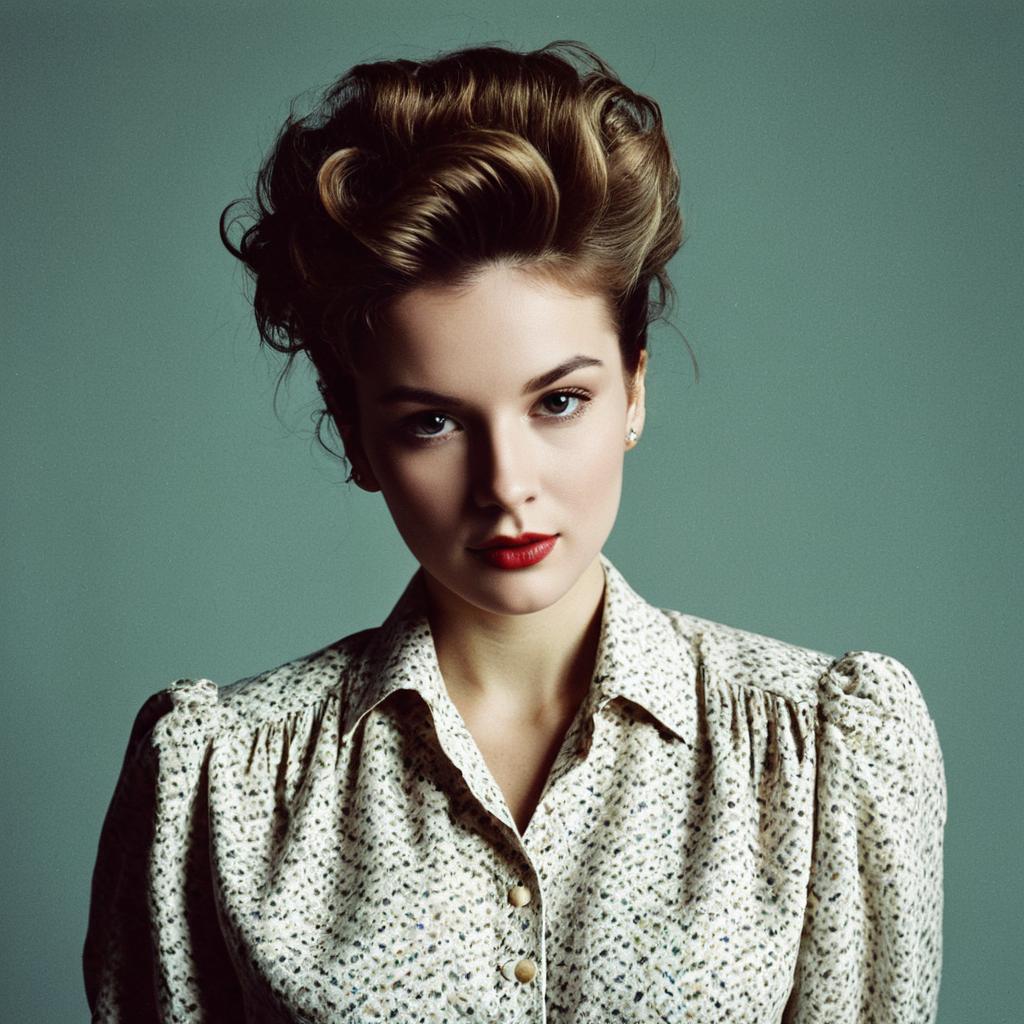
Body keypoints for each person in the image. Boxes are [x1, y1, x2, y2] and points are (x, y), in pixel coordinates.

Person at [82, 39, 947, 1023]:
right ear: (357, 438)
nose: (506, 486)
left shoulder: (817, 757)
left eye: (559, 402)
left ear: (634, 390)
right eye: (432, 422)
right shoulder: (222, 784)